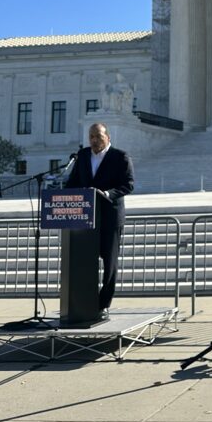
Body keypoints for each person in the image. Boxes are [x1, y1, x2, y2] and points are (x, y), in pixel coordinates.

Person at [64, 122, 134, 319]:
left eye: (98, 137)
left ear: (108, 137)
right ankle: (86, 301)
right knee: (86, 260)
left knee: (109, 263)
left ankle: (103, 304)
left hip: (110, 217)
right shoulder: (83, 156)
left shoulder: (120, 157)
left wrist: (107, 193)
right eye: (91, 137)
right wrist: (63, 196)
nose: (94, 141)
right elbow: (73, 182)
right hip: (86, 218)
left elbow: (128, 185)